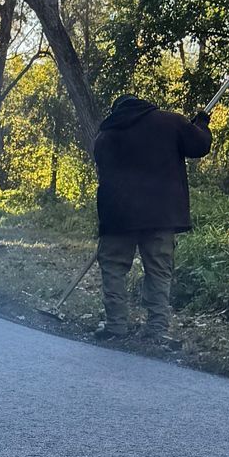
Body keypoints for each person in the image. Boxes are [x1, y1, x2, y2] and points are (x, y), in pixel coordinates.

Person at [91, 93, 213, 345]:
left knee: (113, 269)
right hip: (161, 214)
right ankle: (156, 329)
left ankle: (116, 326)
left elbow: (102, 169)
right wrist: (201, 123)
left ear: (117, 111)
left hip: (118, 215)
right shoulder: (170, 123)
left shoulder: (106, 135)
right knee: (158, 271)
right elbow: (199, 146)